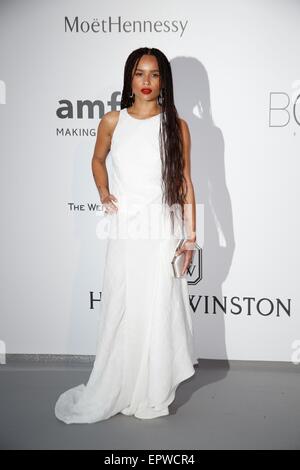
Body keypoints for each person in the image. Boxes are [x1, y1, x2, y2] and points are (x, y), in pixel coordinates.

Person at [54, 47, 198, 423]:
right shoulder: (113, 121)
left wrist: (191, 236)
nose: (146, 82)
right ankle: (119, 383)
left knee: (159, 309)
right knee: (123, 305)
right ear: (129, 79)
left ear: (163, 80)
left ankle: (152, 389)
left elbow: (184, 181)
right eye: (139, 74)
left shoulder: (176, 125)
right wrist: (104, 192)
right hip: (126, 229)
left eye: (153, 74)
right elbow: (97, 159)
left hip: (163, 229)